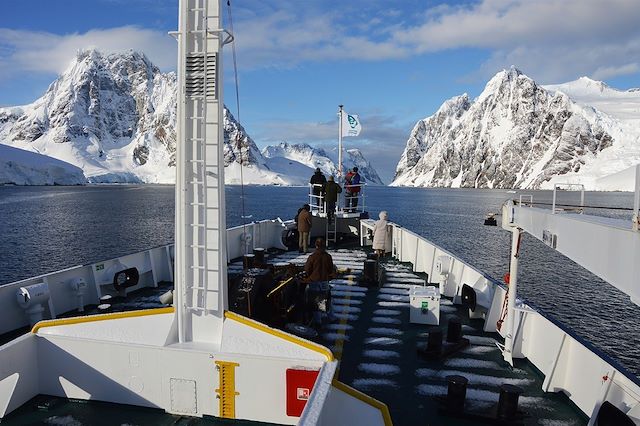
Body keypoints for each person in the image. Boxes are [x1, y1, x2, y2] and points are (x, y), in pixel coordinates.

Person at [303, 238, 336, 325]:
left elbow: (307, 270)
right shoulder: (328, 256)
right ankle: (331, 317)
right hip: (324, 281)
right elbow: (330, 270)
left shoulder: (312, 257)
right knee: (327, 299)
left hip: (314, 282)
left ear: (316, 246)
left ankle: (318, 321)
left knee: (315, 302)